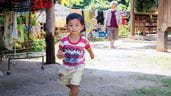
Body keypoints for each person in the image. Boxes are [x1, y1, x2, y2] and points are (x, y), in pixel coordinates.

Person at [57, 13, 94, 96]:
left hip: (78, 66)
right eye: (71, 25)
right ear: (66, 26)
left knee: (75, 84)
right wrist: (59, 54)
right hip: (66, 66)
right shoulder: (64, 40)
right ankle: (74, 89)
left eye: (77, 25)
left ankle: (74, 89)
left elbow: (88, 47)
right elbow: (60, 51)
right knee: (62, 79)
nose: (73, 28)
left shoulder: (84, 40)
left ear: (82, 27)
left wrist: (91, 53)